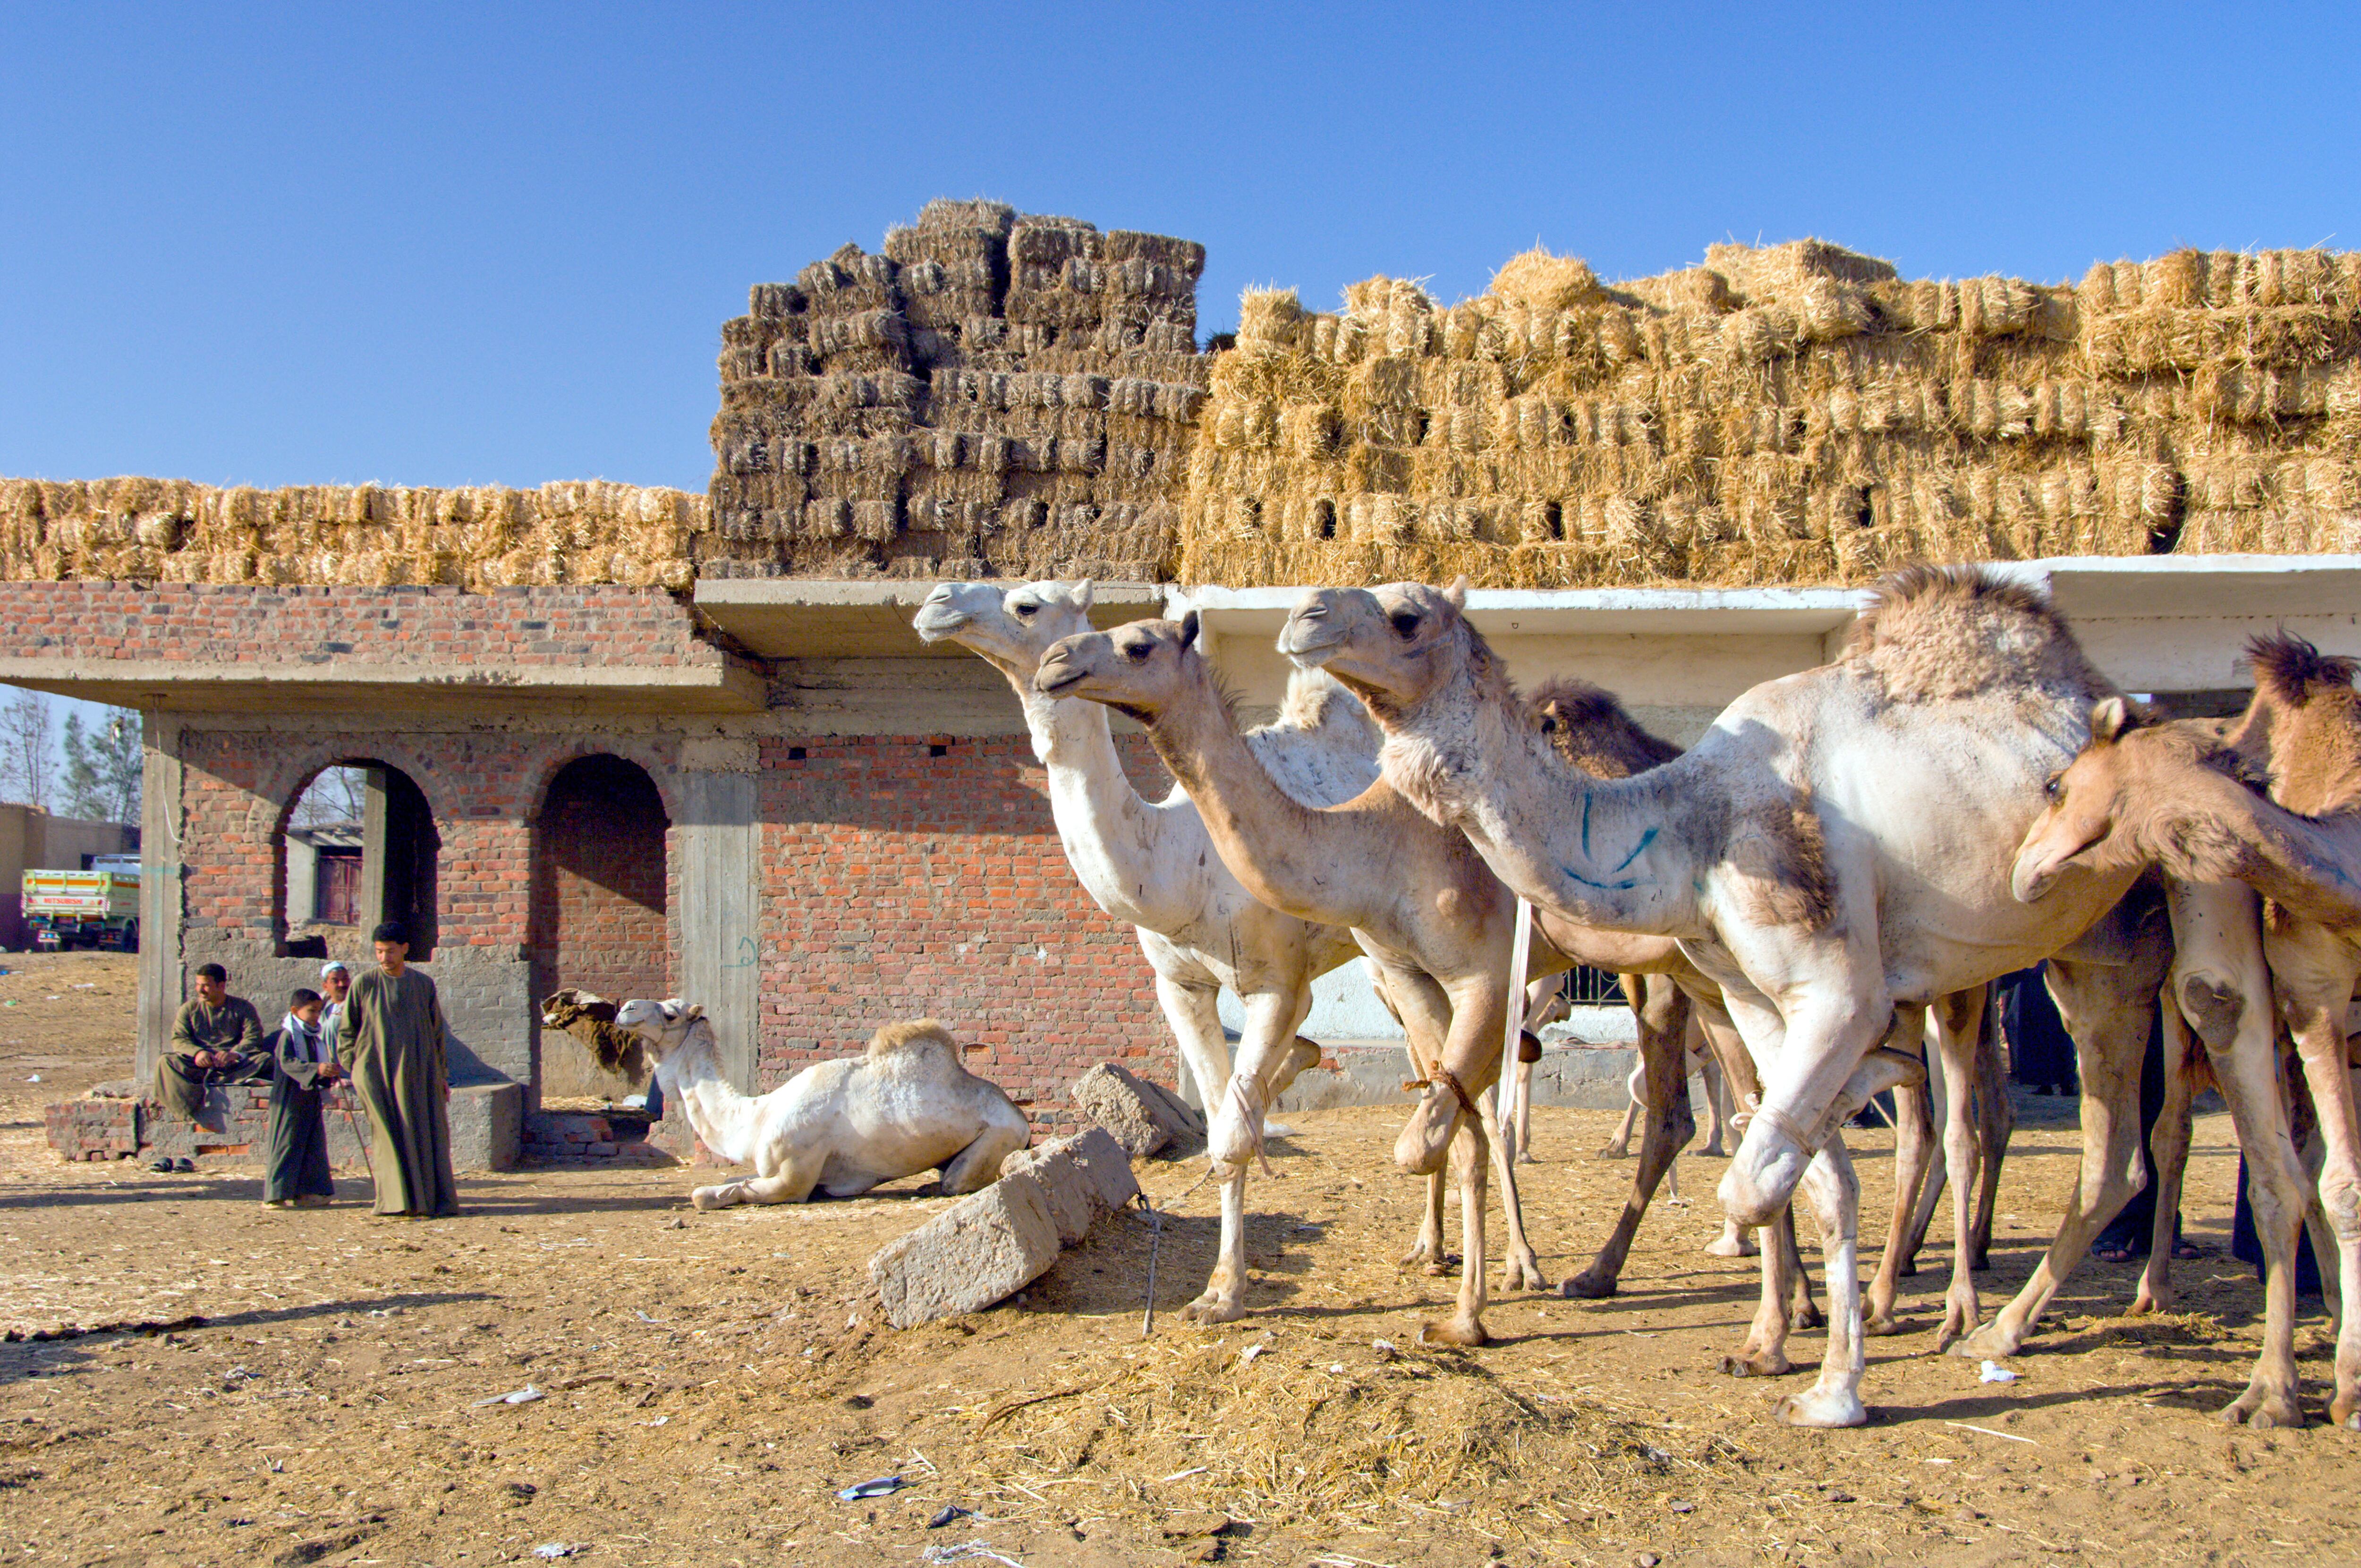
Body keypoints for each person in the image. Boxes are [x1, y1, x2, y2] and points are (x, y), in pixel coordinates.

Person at [337, 921, 459, 1218]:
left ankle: (429, 1203)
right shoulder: (364, 984)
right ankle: (395, 1203)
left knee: (426, 1134)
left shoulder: (423, 985)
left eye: (390, 951)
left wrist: (441, 1075)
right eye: (379, 952)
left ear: (404, 949)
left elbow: (436, 1033)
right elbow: (347, 1033)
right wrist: (355, 1069)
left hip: (420, 1074)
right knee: (388, 1137)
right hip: (376, 1074)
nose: (384, 958)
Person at [153, 962, 270, 1122]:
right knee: (165, 1062)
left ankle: (220, 1079)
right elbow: (179, 1038)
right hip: (198, 1064)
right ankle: (187, 1109)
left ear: (221, 986)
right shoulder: (189, 1008)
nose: (200, 990)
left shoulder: (242, 1007)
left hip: (230, 1064)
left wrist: (234, 1054)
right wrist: (198, 1053)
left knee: (266, 1060)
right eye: (198, 985)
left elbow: (254, 1036)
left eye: (206, 986)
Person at [263, 987, 341, 1209]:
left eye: (319, 1011)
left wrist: (328, 1071)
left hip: (310, 1096)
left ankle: (309, 1192)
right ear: (296, 1011)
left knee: (313, 1144)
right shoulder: (288, 1036)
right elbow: (288, 1063)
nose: (317, 1016)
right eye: (312, 1011)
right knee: (287, 1143)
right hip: (290, 1097)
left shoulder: (314, 1037)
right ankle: (276, 1195)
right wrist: (317, 1068)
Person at [318, 959, 352, 1042]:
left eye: (345, 979)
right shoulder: (321, 1008)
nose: (342, 984)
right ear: (325, 986)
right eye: (336, 981)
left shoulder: (356, 1005)